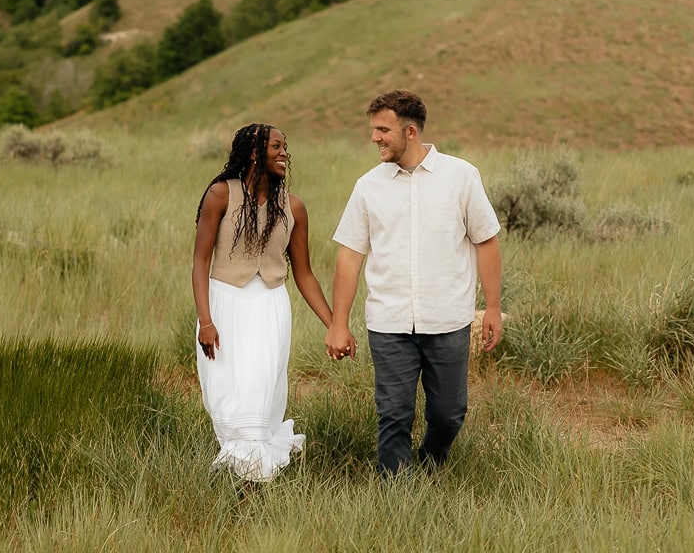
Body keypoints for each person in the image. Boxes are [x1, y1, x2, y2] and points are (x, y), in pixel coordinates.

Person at [325, 90, 502, 476]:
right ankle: (400, 498)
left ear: (409, 131)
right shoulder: (367, 186)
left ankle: (428, 466)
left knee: (449, 414)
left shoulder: (461, 176)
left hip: (448, 321)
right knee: (393, 416)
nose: (375, 138)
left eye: (382, 129)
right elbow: (350, 256)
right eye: (373, 129)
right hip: (389, 324)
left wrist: (491, 307)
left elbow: (486, 241)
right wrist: (338, 323)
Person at [192, 122, 337, 482]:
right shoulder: (220, 195)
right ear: (255, 151)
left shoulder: (295, 207)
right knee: (226, 390)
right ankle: (240, 467)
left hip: (270, 307)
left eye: (285, 146)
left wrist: (335, 324)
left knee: (261, 385)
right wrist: (206, 321)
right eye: (277, 146)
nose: (285, 152)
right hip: (224, 304)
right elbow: (199, 262)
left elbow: (304, 274)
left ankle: (253, 478)